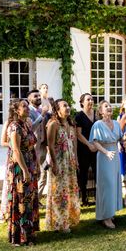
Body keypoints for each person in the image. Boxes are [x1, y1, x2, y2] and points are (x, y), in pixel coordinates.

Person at [5, 99, 40, 246]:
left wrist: (36, 163)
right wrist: (25, 170)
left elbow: (32, 145)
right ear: (16, 110)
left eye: (27, 105)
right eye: (23, 106)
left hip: (30, 163)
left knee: (30, 199)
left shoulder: (27, 124)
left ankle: (30, 231)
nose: (27, 108)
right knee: (22, 200)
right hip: (20, 167)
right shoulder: (14, 127)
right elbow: (16, 150)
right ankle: (21, 236)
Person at [45, 99, 81, 233]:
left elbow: (75, 144)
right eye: (64, 105)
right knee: (59, 192)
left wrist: (76, 159)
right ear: (57, 109)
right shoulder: (53, 124)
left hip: (70, 162)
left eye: (68, 105)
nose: (68, 107)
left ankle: (69, 218)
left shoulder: (71, 124)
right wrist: (54, 163)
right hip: (59, 161)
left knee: (69, 190)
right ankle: (60, 223)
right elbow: (50, 145)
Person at [89, 101, 124, 230]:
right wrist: (106, 152)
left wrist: (124, 143)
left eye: (109, 106)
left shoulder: (115, 123)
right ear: (100, 111)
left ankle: (111, 212)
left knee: (114, 183)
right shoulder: (98, 124)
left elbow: (120, 138)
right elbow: (95, 142)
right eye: (106, 106)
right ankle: (105, 217)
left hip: (115, 156)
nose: (109, 108)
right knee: (107, 184)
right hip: (104, 156)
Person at [75, 93, 97, 205]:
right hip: (83, 149)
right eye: (88, 99)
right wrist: (89, 144)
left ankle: (98, 197)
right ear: (82, 102)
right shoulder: (78, 116)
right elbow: (78, 134)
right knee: (83, 174)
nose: (91, 101)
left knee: (97, 172)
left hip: (96, 148)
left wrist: (96, 145)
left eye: (92, 99)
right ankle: (84, 198)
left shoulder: (96, 114)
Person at [27, 89, 48, 198]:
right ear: (29, 99)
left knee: (44, 173)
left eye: (39, 96)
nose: (39, 98)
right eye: (35, 96)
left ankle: (37, 198)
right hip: (34, 148)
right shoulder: (28, 111)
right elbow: (31, 128)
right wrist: (42, 114)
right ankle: (32, 198)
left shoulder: (41, 109)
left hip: (43, 146)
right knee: (35, 173)